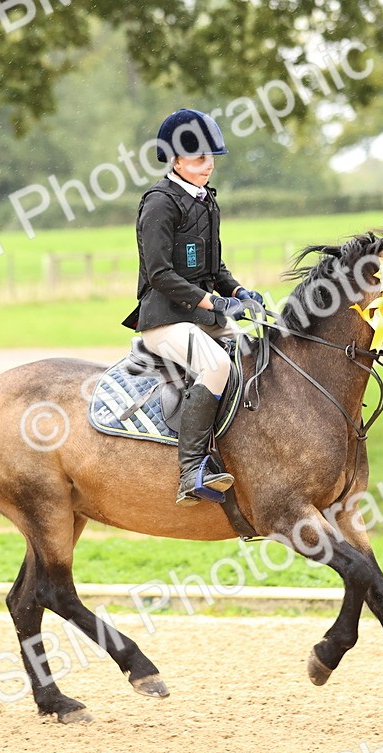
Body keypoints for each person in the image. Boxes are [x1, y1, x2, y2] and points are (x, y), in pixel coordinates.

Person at [122, 108, 264, 507]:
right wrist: (213, 302)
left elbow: (215, 268)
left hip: (202, 316)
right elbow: (159, 274)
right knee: (216, 365)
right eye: (200, 159)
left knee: (258, 350)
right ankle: (191, 471)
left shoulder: (206, 202)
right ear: (176, 160)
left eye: (212, 158)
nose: (208, 166)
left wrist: (238, 292)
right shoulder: (159, 203)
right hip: (164, 320)